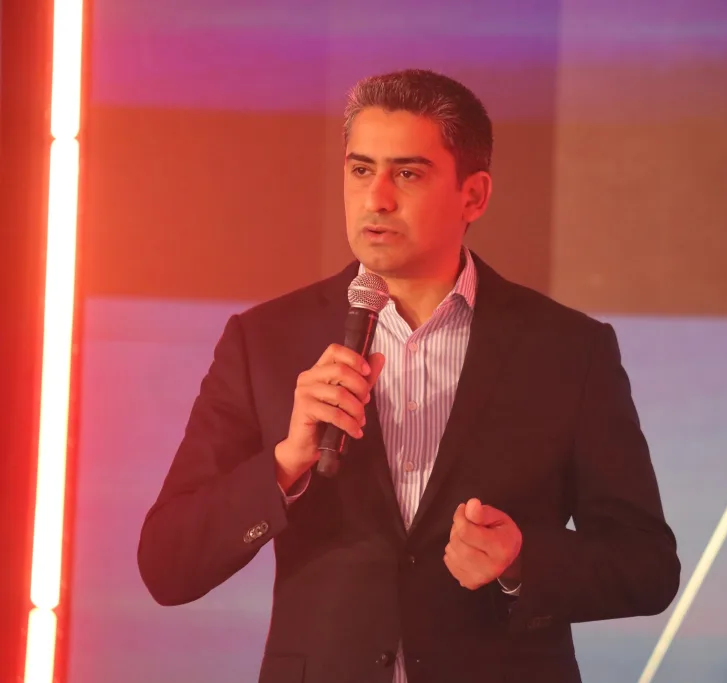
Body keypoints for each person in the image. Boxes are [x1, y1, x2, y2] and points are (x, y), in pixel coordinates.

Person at [137, 68, 680, 683]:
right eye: (360, 169)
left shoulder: (568, 349)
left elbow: (647, 566)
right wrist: (285, 464)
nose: (377, 199)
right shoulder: (262, 341)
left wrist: (521, 561)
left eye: (408, 174)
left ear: (474, 196)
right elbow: (167, 565)